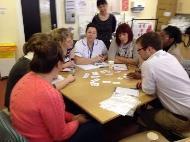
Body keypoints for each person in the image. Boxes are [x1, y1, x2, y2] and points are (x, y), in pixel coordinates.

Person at [10, 39, 103, 142]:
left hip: (24, 132)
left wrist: (72, 117)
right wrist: (77, 122)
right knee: (96, 127)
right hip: (42, 138)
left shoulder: (27, 77)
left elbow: (50, 112)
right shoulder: (49, 94)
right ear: (59, 64)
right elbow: (61, 135)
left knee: (74, 110)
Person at [135, 32, 190, 135]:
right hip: (187, 108)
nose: (139, 53)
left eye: (139, 50)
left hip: (182, 119)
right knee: (155, 103)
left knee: (143, 115)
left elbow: (149, 90)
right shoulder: (169, 56)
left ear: (149, 49)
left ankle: (165, 134)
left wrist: (143, 84)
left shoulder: (149, 64)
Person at [5, 33, 75, 110]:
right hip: (17, 109)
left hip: (22, 103)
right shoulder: (28, 66)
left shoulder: (28, 60)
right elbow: (48, 89)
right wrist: (67, 80)